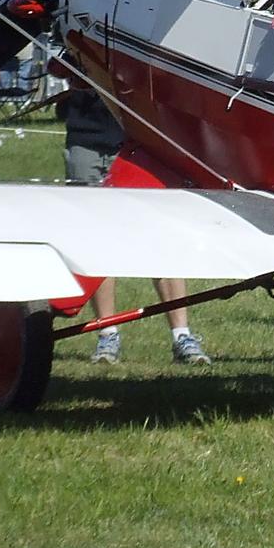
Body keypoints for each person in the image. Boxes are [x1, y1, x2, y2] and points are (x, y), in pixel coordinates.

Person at [62, 80, 212, 365]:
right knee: (96, 240)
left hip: (141, 139)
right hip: (87, 135)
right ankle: (107, 334)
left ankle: (182, 336)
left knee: (163, 234)